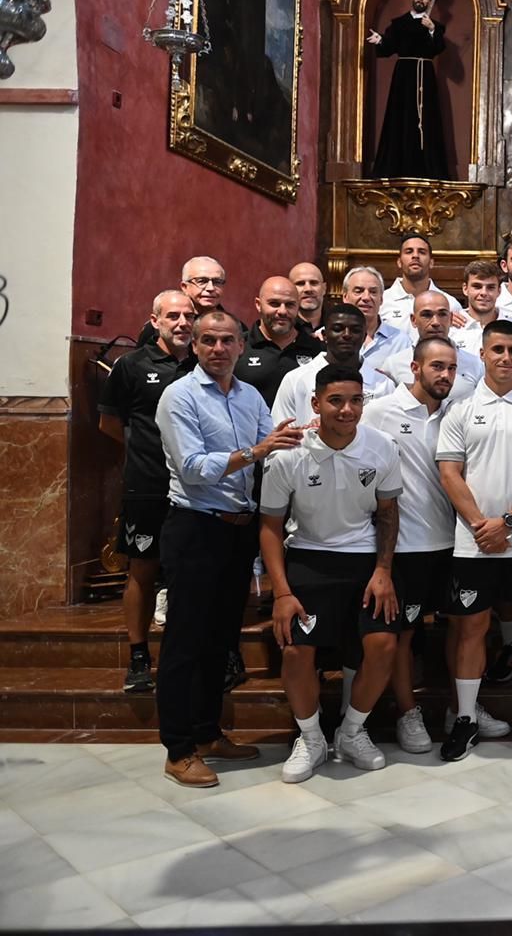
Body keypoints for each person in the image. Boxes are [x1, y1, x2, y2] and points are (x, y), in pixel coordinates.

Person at [154, 310, 302, 787]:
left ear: (242, 346)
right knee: (184, 642)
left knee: (220, 639)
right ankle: (178, 750)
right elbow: (195, 467)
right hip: (196, 527)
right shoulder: (178, 397)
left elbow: (275, 443)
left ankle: (207, 732)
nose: (218, 349)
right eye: (208, 341)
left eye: (227, 341)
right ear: (194, 347)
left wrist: (311, 436)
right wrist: (258, 451)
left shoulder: (249, 395)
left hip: (238, 530)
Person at [260, 364, 402, 782]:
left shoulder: (381, 447)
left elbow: (388, 515)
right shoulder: (289, 453)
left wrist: (382, 571)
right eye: (336, 401)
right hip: (307, 557)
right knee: (294, 650)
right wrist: (282, 593)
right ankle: (311, 738)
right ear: (316, 403)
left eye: (355, 400)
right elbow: (269, 528)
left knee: (383, 646)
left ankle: (351, 732)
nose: (347, 410)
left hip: (364, 561)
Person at [435, 319, 512, 759]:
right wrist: (480, 526)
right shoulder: (461, 410)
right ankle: (466, 718)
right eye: (497, 350)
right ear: (484, 354)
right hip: (473, 544)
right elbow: (449, 472)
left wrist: (506, 523)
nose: (505, 357)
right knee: (472, 628)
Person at [362, 337, 461, 755]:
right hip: (405, 546)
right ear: (415, 368)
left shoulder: (459, 413)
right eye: (437, 366)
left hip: (455, 542)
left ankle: (462, 711)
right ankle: (408, 712)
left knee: (464, 626)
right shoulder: (380, 413)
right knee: (404, 634)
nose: (445, 375)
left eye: (452, 368)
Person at [100, 291, 196, 693]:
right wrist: (147, 454)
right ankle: (139, 654)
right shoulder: (130, 366)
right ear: (154, 320)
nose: (182, 323)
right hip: (148, 486)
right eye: (172, 316)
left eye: (188, 316)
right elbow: (109, 423)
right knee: (142, 568)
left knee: (195, 571)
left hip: (195, 487)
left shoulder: (205, 362)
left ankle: (201, 652)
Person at [367, 0, 451, 180]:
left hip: (425, 76)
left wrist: (432, 29)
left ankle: (428, 170)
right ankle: (397, 169)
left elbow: (438, 48)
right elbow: (389, 47)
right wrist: (381, 41)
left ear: (429, 1)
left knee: (426, 121)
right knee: (401, 118)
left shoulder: (435, 26)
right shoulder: (398, 24)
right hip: (404, 77)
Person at [273, 304, 394, 426]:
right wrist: (310, 433)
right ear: (324, 335)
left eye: (355, 330)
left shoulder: (384, 385)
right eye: (338, 329)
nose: (347, 334)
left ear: (364, 337)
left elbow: (390, 434)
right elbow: (280, 434)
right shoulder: (295, 379)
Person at [378, 291, 483, 401]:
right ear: (413, 320)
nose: (435, 322)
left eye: (442, 314)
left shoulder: (475, 364)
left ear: (451, 318)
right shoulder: (393, 364)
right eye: (427, 315)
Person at [236, 276, 321, 405]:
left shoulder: (318, 351)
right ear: (258, 305)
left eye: (290, 305)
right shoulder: (237, 347)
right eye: (274, 304)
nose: (282, 311)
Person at [135, 256, 236, 347]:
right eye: (202, 281)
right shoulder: (161, 325)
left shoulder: (233, 326)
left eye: (217, 282)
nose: (210, 288)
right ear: (184, 287)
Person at [380, 235, 463, 329]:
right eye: (409, 252)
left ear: (431, 263)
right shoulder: (382, 302)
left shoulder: (450, 304)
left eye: (422, 252)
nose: (415, 256)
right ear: (399, 262)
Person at [455, 259, 512, 354]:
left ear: (499, 291)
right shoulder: (451, 328)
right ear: (465, 289)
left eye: (490, 287)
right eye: (477, 286)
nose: (484, 293)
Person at [343, 266, 409, 367]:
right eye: (358, 291)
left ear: (381, 299)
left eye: (373, 292)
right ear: (345, 297)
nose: (366, 297)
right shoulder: (329, 336)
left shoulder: (400, 341)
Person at [289, 262, 327, 332]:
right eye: (300, 283)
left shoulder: (335, 323)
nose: (308, 289)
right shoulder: (285, 327)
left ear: (324, 288)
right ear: (289, 289)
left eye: (314, 283)